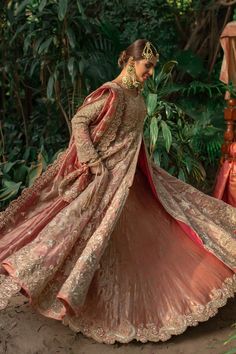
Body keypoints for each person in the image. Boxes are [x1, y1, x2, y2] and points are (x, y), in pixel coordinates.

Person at [0, 39, 235, 344]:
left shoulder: (135, 94)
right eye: (147, 65)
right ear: (131, 61)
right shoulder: (113, 92)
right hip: (106, 178)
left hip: (131, 177)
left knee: (160, 227)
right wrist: (94, 162)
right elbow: (80, 120)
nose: (150, 72)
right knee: (77, 233)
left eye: (152, 66)